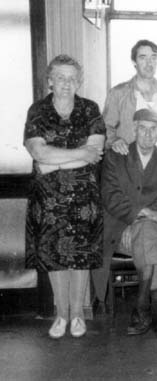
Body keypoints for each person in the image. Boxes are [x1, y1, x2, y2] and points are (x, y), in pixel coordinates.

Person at [95, 39, 157, 310]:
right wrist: (114, 142)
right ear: (134, 61)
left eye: (153, 57)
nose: (148, 62)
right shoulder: (120, 92)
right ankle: (154, 291)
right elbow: (105, 128)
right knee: (143, 226)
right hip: (132, 171)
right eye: (143, 57)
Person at [24, 54, 105, 339]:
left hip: (83, 197)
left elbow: (94, 153)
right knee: (54, 256)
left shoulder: (90, 109)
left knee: (79, 255)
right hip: (48, 198)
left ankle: (78, 314)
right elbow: (38, 153)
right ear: (50, 81)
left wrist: (53, 162)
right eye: (60, 77)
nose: (66, 83)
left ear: (79, 81)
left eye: (72, 78)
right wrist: (78, 154)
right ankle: (61, 313)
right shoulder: (37, 111)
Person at [102, 108, 157, 341]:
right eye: (142, 128)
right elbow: (110, 196)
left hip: (152, 231)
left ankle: (144, 305)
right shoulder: (116, 157)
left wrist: (141, 221)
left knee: (147, 235)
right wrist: (138, 215)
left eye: (153, 130)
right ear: (134, 129)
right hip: (120, 230)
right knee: (149, 239)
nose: (147, 135)